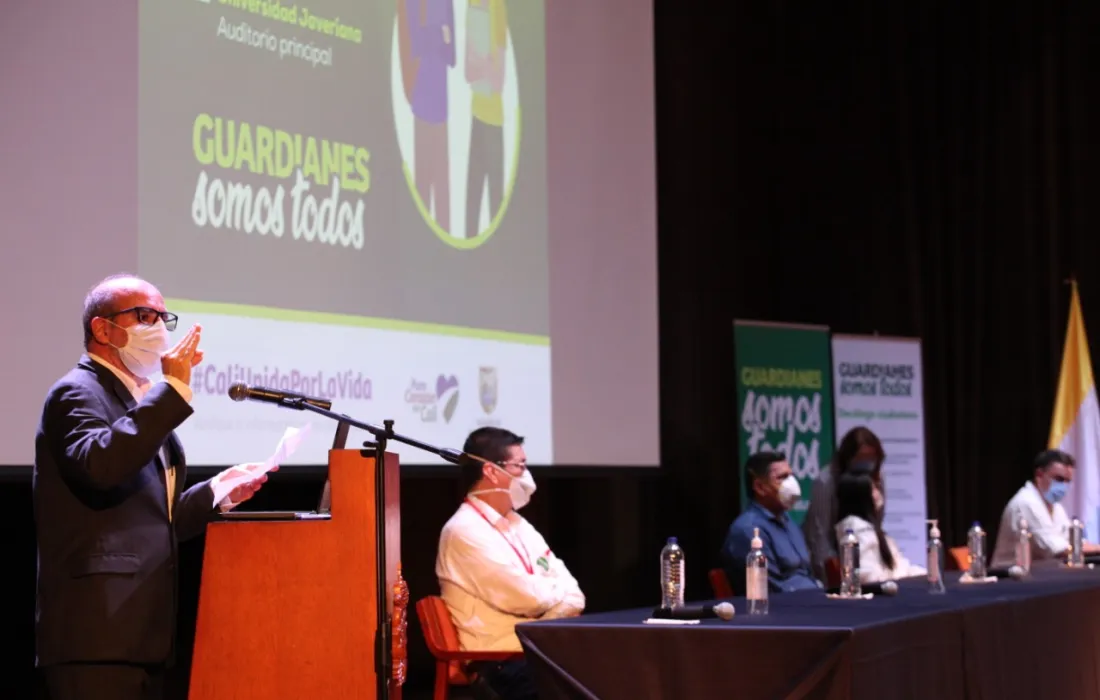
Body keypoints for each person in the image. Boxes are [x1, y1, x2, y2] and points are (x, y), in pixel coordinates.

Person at [34, 274, 271, 700]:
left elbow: (155, 519)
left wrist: (217, 491)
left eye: (163, 317)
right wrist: (173, 390)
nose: (159, 327)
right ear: (102, 329)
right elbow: (100, 466)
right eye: (144, 316)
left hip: (144, 636)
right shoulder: (76, 392)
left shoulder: (137, 401)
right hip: (96, 637)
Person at [436, 427, 584, 700]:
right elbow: (528, 598)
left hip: (534, 651)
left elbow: (574, 592)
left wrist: (545, 611)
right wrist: (552, 603)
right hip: (500, 662)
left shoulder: (517, 523)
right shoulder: (464, 530)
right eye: (520, 466)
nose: (526, 475)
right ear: (491, 471)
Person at [720, 451, 821, 594]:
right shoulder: (749, 530)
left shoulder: (788, 522)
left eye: (791, 476)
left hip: (812, 598)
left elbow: (807, 573)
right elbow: (772, 591)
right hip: (786, 605)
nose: (791, 483)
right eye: (782, 477)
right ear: (760, 487)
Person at [990, 449, 1100, 568]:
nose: (1064, 486)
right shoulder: (1026, 502)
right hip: (1009, 575)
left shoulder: (1055, 506)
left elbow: (1073, 542)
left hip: (1040, 573)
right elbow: (1056, 549)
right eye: (1059, 479)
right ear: (1039, 475)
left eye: (1068, 481)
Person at [803, 426, 885, 580]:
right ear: (848, 457)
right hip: (835, 556)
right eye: (861, 457)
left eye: (871, 458)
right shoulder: (826, 481)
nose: (866, 463)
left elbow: (876, 523)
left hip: (866, 554)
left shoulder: (876, 477)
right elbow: (819, 535)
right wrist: (832, 574)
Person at [834, 464, 926, 583]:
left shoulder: (870, 528)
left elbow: (900, 566)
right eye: (873, 489)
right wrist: (900, 577)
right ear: (860, 496)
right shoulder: (855, 528)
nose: (878, 493)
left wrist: (926, 574)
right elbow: (868, 577)